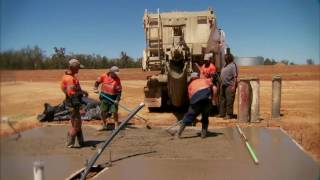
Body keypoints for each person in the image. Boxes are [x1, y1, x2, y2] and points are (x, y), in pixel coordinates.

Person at [174, 72, 212, 139]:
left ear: (191, 79)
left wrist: (192, 115)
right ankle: (203, 135)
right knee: (205, 117)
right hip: (207, 98)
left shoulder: (190, 85)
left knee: (187, 117)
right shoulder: (204, 80)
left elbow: (191, 99)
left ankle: (178, 134)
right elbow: (211, 85)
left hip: (196, 100)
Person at [61, 59, 88, 148]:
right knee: (76, 124)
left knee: (77, 123)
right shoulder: (70, 79)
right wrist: (80, 108)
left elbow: (75, 90)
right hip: (73, 104)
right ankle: (70, 143)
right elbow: (73, 95)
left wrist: (83, 91)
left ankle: (81, 142)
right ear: (73, 67)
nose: (79, 69)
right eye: (78, 68)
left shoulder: (69, 76)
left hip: (71, 102)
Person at [94, 66, 122, 131]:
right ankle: (104, 125)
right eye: (115, 73)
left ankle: (116, 126)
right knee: (103, 112)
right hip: (104, 97)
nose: (116, 75)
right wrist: (95, 88)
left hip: (113, 98)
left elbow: (119, 91)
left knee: (114, 112)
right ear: (111, 72)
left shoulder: (117, 80)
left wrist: (117, 100)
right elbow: (97, 82)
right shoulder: (104, 76)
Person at [219, 52, 238, 119]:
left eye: (226, 57)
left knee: (229, 100)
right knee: (222, 100)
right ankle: (222, 113)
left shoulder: (233, 65)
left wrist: (234, 86)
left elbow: (235, 76)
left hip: (230, 85)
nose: (224, 58)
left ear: (229, 58)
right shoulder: (225, 65)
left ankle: (229, 114)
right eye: (224, 57)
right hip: (223, 85)